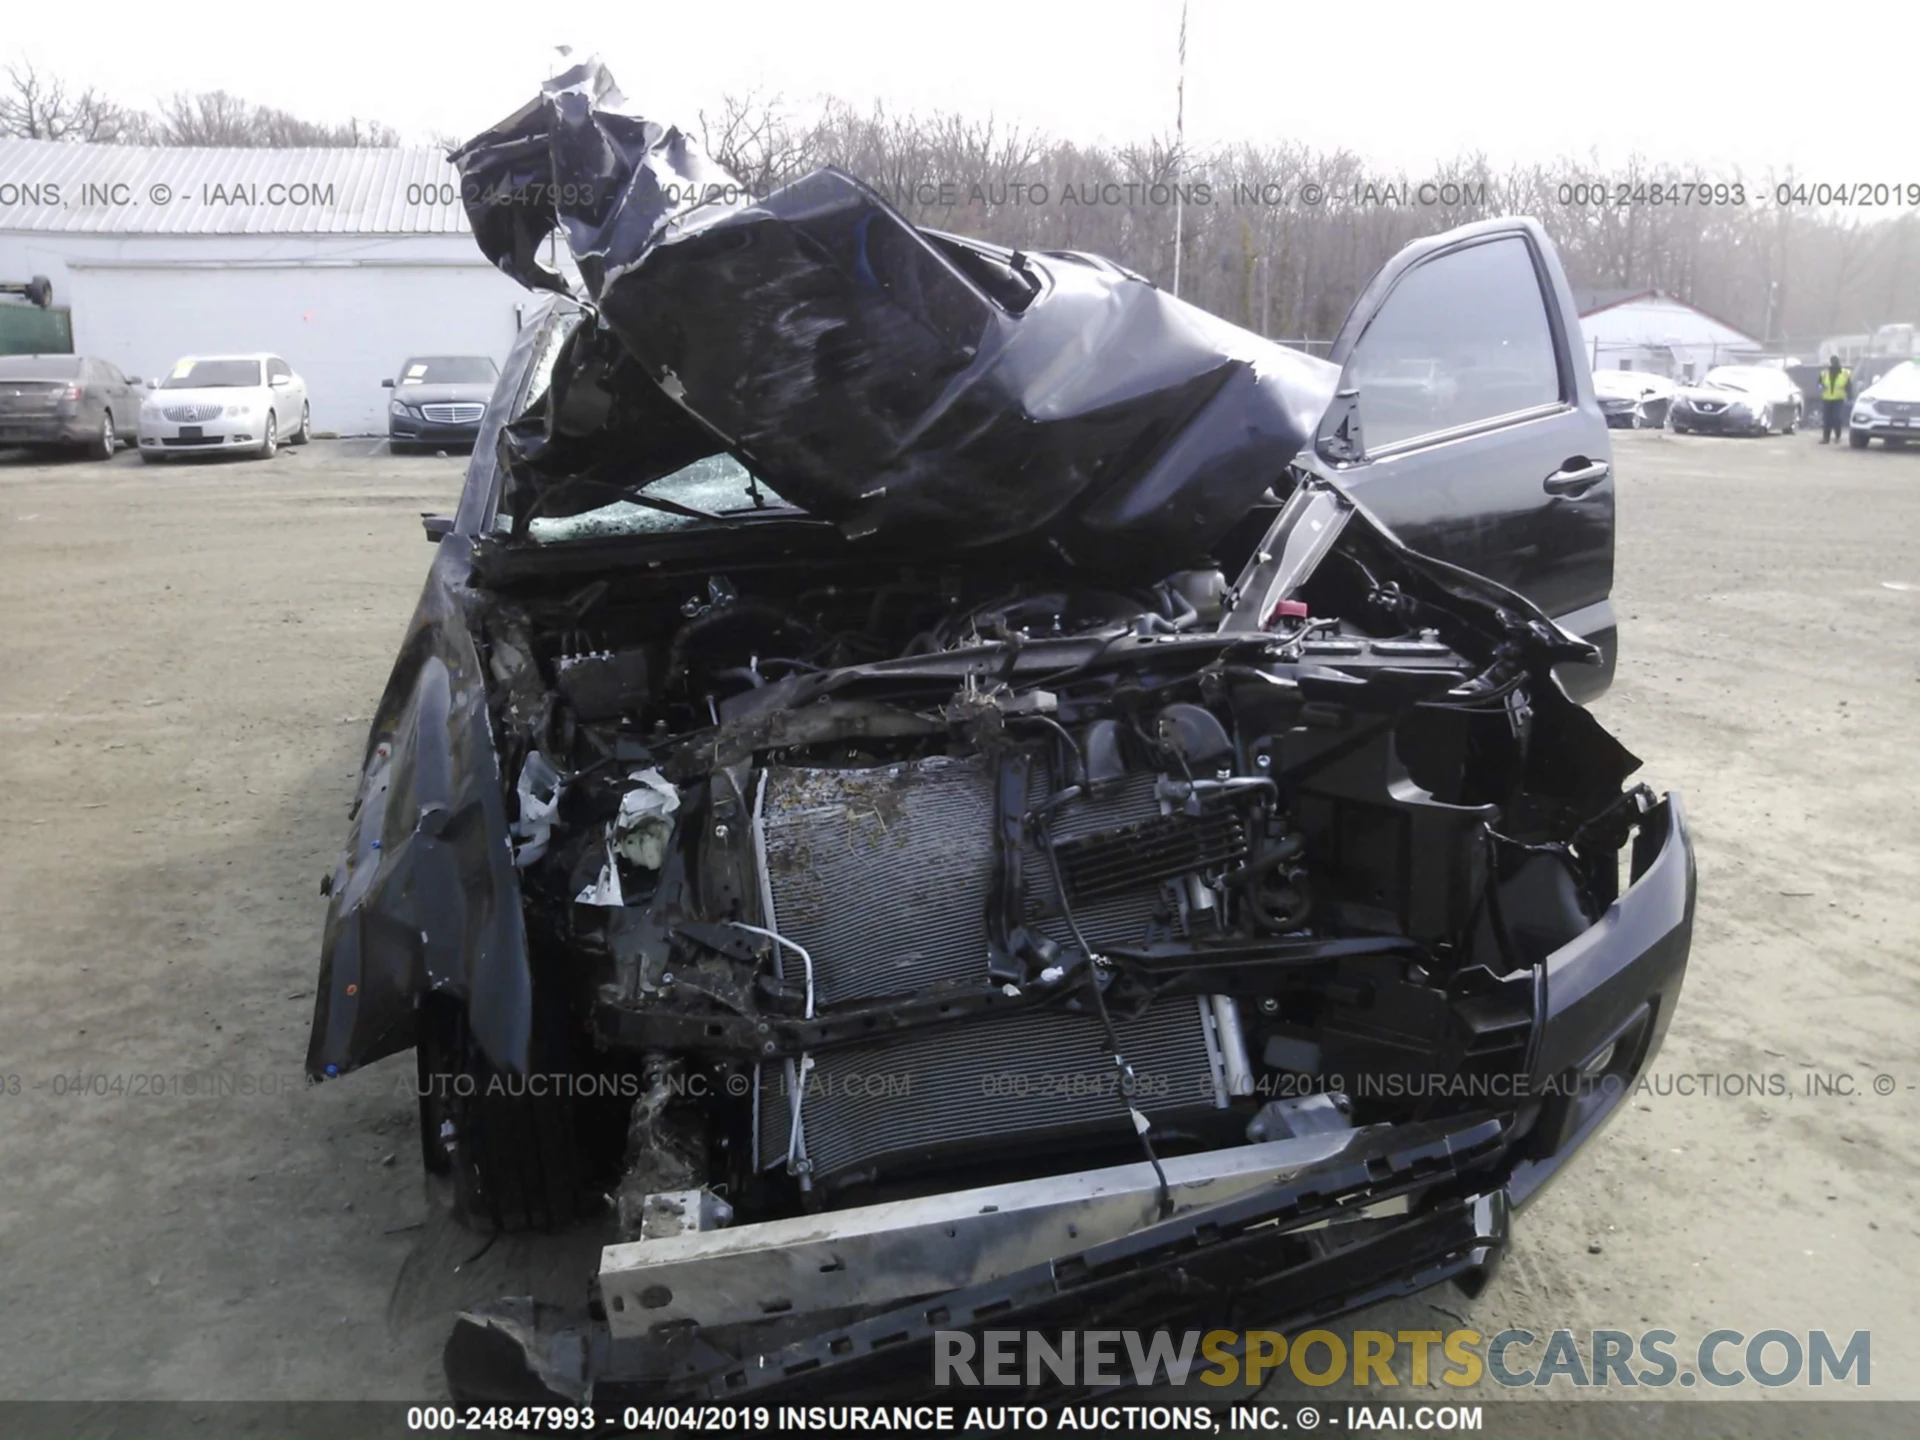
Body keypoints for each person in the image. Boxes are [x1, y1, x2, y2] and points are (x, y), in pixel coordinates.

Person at [1819, 356, 1852, 443]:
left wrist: (1850, 397)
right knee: (1826, 419)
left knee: (1836, 418)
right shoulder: (1824, 373)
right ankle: (1826, 438)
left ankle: (1837, 437)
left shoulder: (1845, 373)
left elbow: (1849, 386)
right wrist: (1820, 387)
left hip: (1839, 399)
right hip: (1826, 399)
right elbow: (1819, 384)